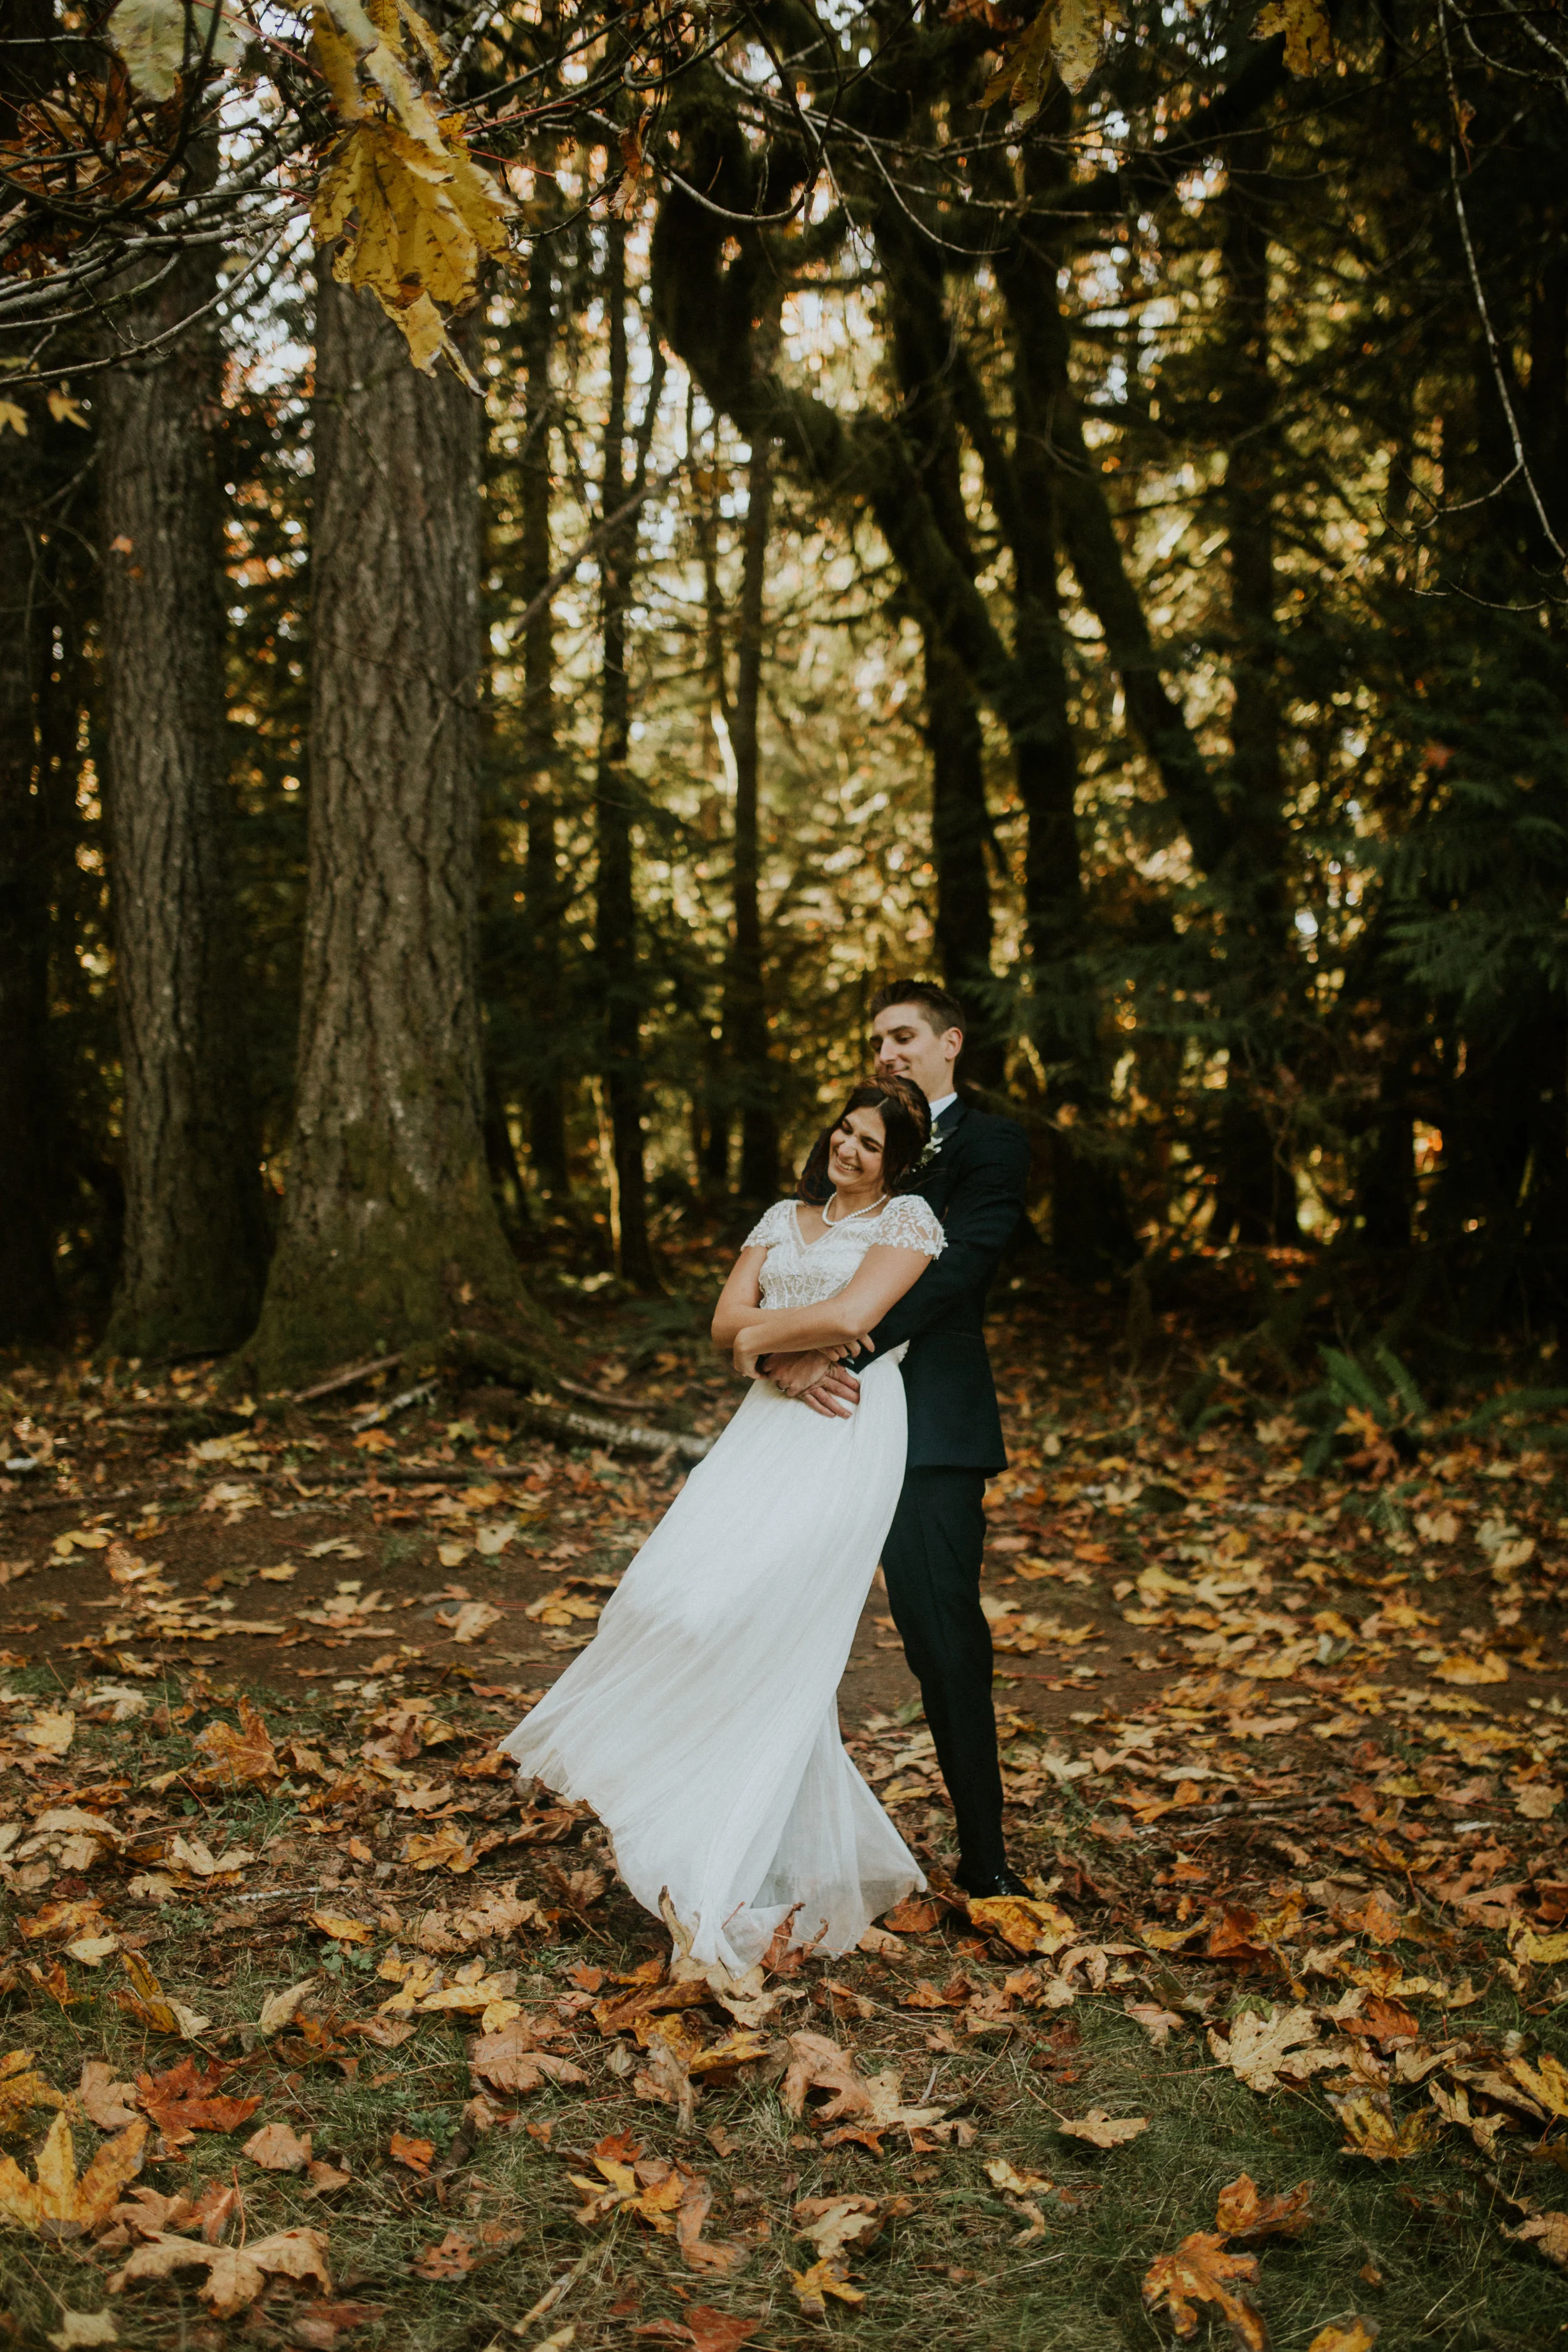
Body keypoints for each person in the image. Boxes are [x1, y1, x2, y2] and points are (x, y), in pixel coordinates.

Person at [501, 1074, 948, 1971]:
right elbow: (722, 1321)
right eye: (843, 1130)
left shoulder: (908, 1223)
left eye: (870, 1143)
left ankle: (723, 1862)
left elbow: (858, 1315)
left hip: (847, 1427)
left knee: (767, 1624)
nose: (848, 1149)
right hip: (765, 1429)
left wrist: (760, 1340)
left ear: (896, 1161)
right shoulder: (784, 1216)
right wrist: (770, 1352)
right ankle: (710, 1832)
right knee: (675, 1601)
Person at [761, 980, 1031, 1899]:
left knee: (940, 1632)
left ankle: (986, 1857)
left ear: (951, 1042)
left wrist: (833, 1344)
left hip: (928, 1419)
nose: (887, 1051)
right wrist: (777, 1351)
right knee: (772, 1617)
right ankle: (762, 1837)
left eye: (904, 1035)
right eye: (878, 1039)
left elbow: (962, 1268)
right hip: (812, 1413)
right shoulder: (859, 1140)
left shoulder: (993, 1144)